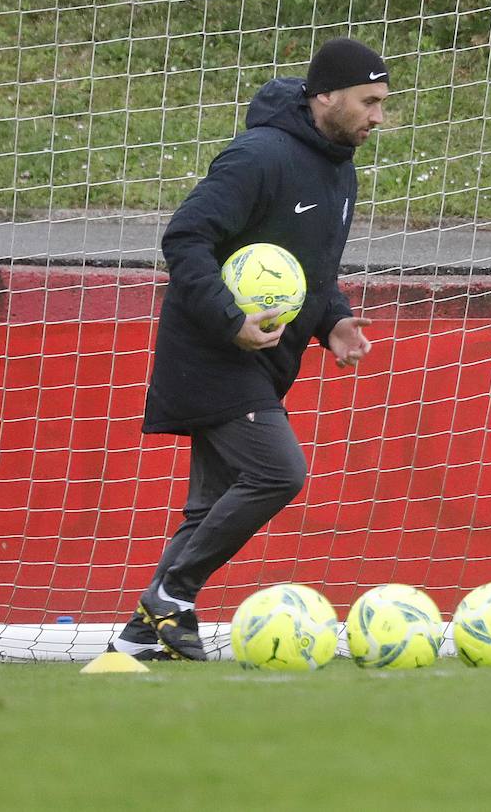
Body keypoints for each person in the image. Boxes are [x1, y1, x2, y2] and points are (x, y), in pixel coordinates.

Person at [109, 38, 386, 660]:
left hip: (262, 358)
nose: (377, 117)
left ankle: (138, 643)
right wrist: (230, 318)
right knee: (278, 471)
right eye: (368, 102)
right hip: (209, 351)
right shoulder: (257, 156)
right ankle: (169, 597)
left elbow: (311, 268)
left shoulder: (341, 168)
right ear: (326, 96)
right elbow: (184, 238)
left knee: (207, 505)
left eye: (382, 104)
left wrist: (334, 320)